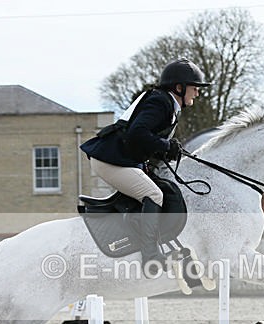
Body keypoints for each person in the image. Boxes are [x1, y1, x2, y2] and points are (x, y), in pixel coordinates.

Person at [80, 58, 211, 276]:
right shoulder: (161, 102)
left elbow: (141, 138)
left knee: (158, 189)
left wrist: (164, 150)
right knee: (154, 194)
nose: (197, 93)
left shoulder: (168, 103)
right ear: (179, 87)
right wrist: (165, 145)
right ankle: (150, 256)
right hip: (110, 159)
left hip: (120, 158)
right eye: (194, 88)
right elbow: (137, 133)